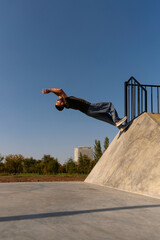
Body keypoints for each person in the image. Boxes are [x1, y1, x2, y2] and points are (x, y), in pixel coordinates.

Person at [42, 88, 127, 129]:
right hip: (90, 107)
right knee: (109, 105)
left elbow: (59, 94)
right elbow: (60, 91)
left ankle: (121, 127)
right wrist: (49, 90)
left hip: (88, 113)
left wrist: (51, 91)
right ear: (62, 103)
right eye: (57, 102)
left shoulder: (66, 104)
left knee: (107, 117)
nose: (57, 100)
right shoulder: (67, 101)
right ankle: (117, 120)